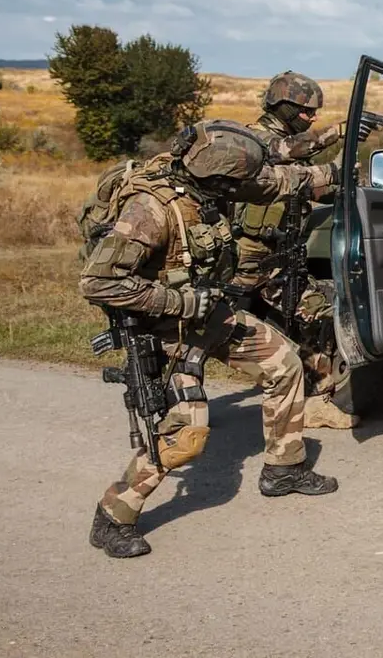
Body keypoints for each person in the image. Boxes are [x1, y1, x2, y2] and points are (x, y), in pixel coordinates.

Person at [82, 120, 342, 559]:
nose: (246, 187)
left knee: (284, 363)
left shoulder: (208, 183)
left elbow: (279, 182)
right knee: (187, 436)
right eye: (239, 182)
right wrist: (178, 303)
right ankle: (113, 516)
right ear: (217, 177)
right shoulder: (150, 210)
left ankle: (284, 467)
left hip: (208, 311)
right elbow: (98, 282)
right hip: (164, 326)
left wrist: (338, 171)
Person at [231, 70, 376, 430]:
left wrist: (344, 179)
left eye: (314, 114)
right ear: (283, 106)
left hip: (279, 261)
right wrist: (340, 131)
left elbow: (307, 186)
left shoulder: (289, 150)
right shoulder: (255, 141)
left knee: (319, 320)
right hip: (243, 262)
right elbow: (286, 152)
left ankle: (316, 400)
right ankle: (179, 398)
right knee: (206, 332)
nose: (311, 118)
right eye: (306, 112)